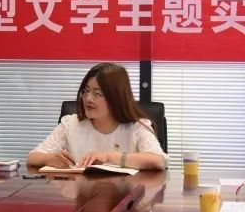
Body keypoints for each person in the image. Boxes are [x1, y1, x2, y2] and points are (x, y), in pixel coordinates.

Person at [28, 63, 168, 170]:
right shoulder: (71, 123)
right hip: (80, 194)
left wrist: (108, 156)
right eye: (86, 91)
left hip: (125, 195)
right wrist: (48, 158)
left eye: (97, 93)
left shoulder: (136, 126)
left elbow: (158, 161)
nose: (88, 99)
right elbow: (32, 157)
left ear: (116, 97)